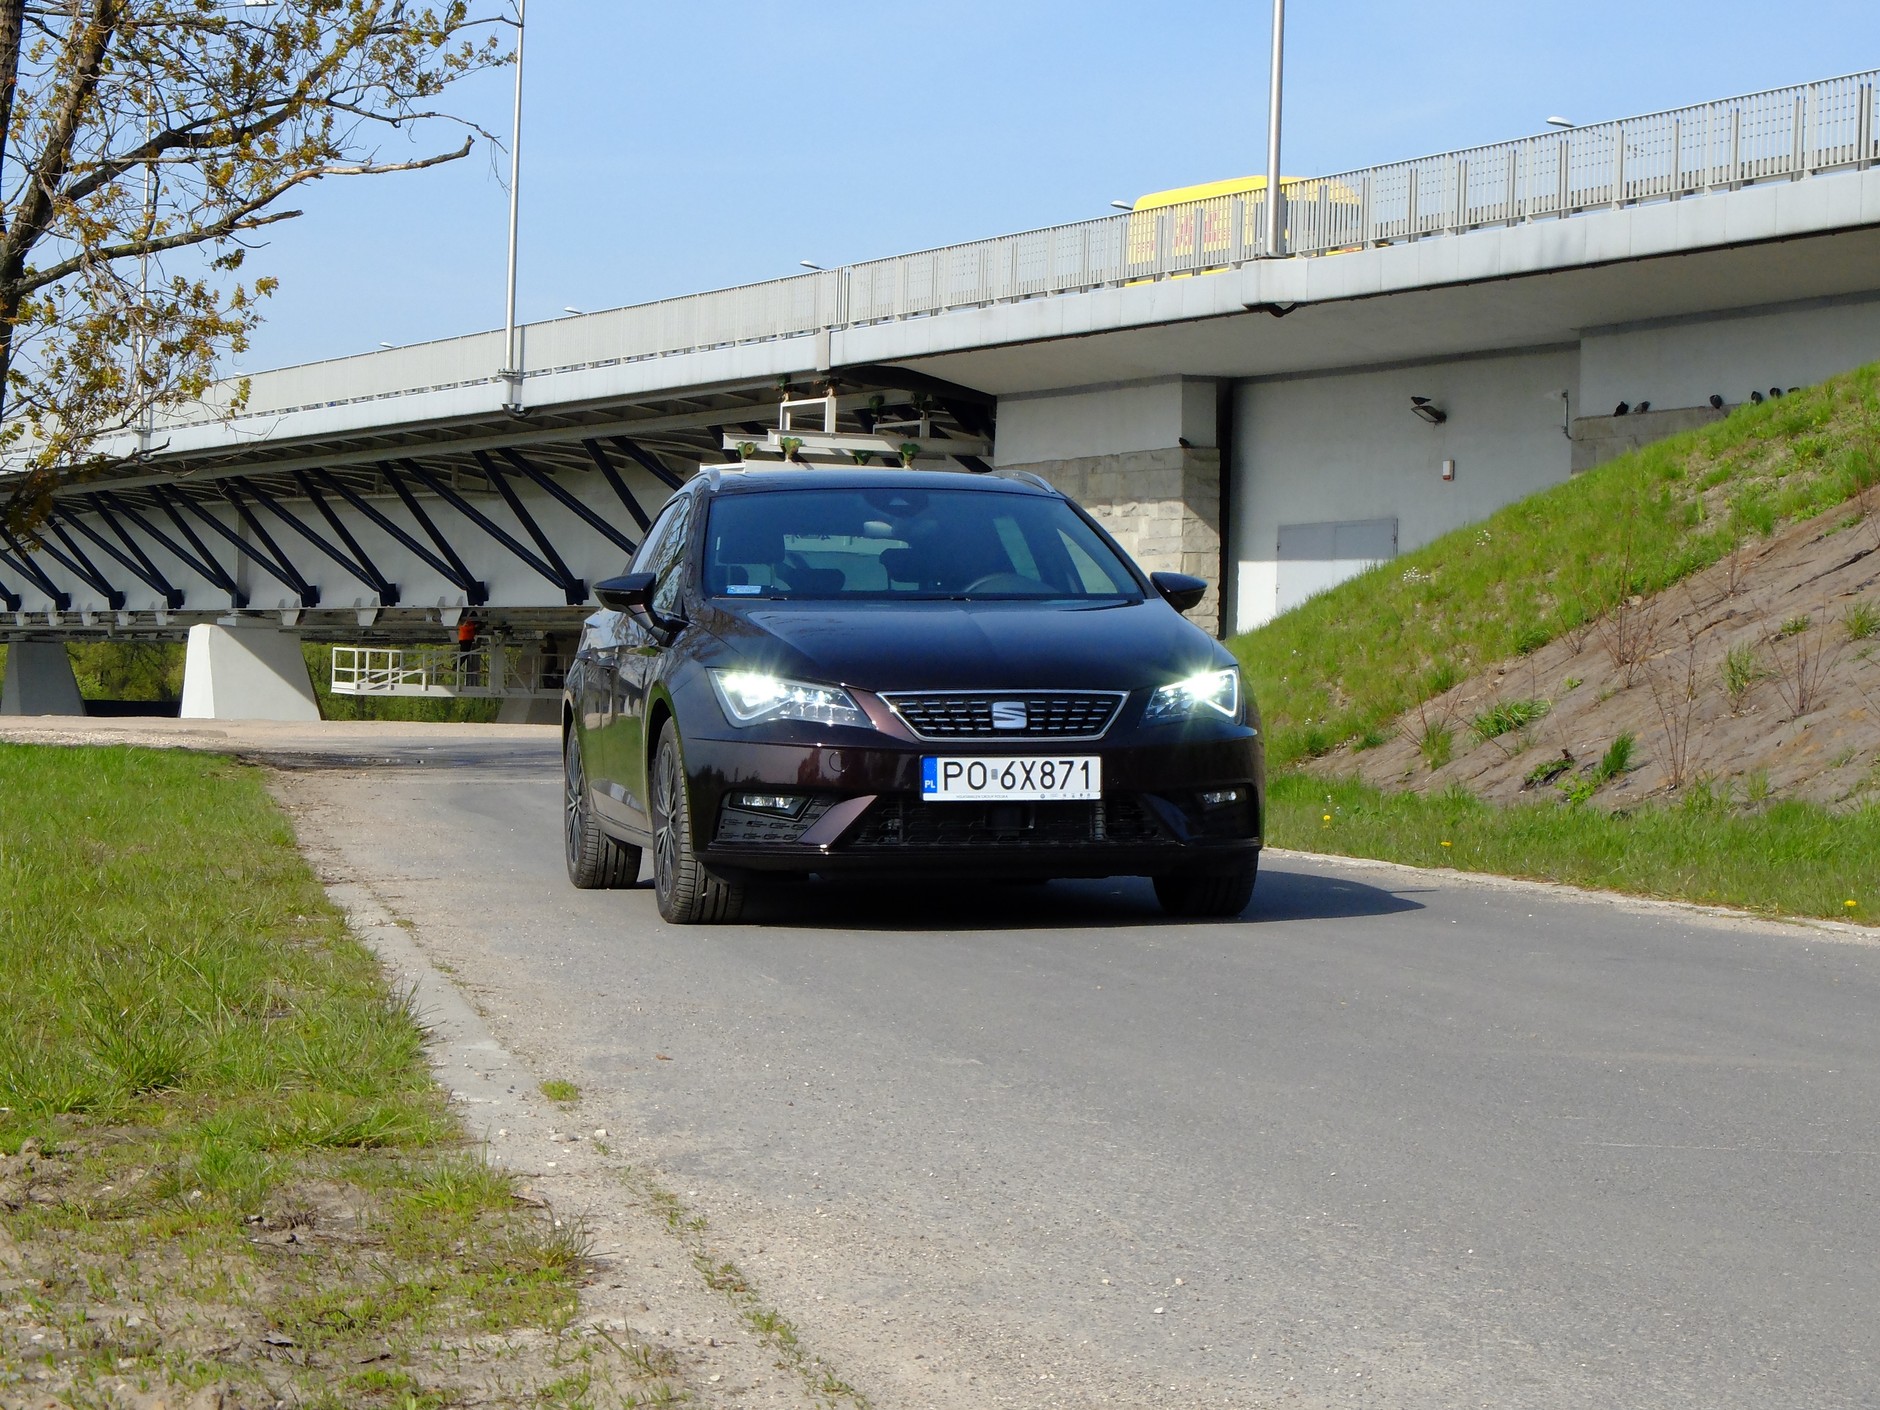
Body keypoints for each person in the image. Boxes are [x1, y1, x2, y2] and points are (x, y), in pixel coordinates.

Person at [456, 614, 481, 687]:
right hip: (465, 640)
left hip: (466, 640)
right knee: (464, 655)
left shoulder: (466, 623)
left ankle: (456, 666)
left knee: (464, 655)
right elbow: (467, 628)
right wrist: (475, 626)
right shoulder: (465, 624)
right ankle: (456, 666)